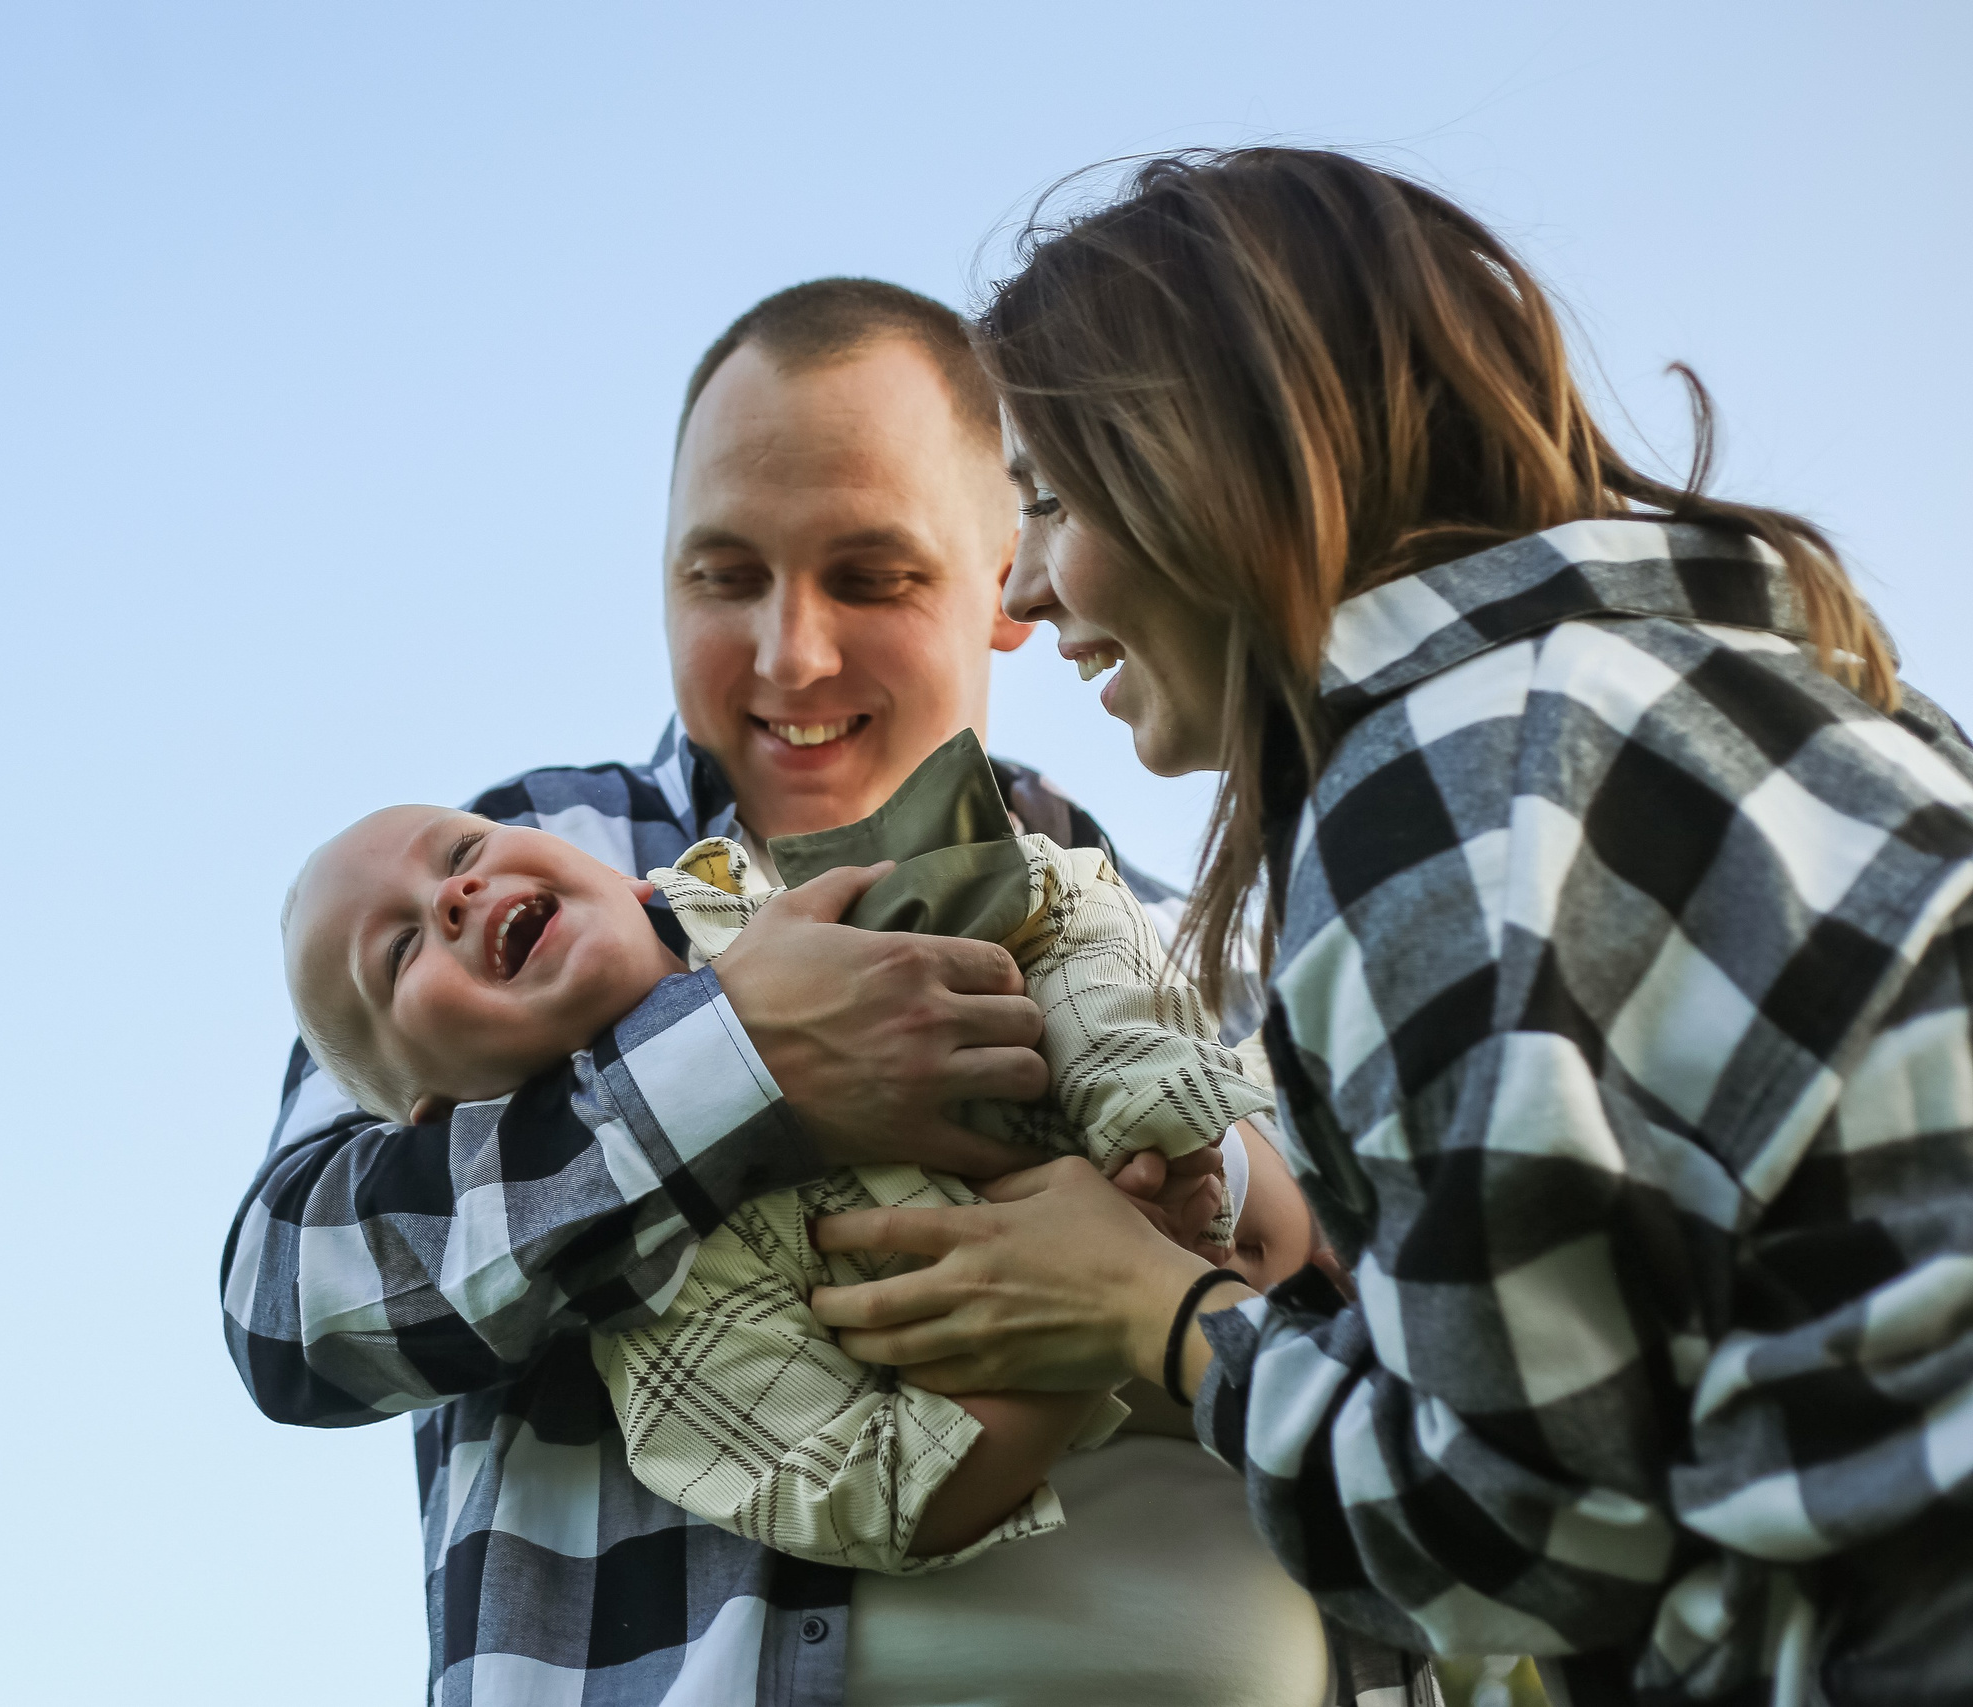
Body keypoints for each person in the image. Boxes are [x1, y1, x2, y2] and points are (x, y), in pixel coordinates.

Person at [805, 149, 1973, 1705]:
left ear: (1215, 459)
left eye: (1056, 500)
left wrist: (1160, 1317)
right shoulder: (1798, 707)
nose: (1021, 585)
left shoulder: (1448, 787)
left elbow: (1523, 1529)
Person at [223, 280, 1391, 1707]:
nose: (791, 654)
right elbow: (292, 1301)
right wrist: (738, 1059)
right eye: (723, 576)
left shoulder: (1179, 932)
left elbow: (1445, 1410)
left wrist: (1219, 1237)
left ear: (1008, 578)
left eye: (869, 575)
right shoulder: (541, 867)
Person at [275, 730, 1292, 1577]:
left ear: (628, 880)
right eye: (400, 950)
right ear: (440, 1117)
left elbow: (1063, 898)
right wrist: (1089, 1318)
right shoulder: (662, 1317)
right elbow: (868, 1491)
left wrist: (1148, 1113)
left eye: (462, 854)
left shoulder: (824, 916)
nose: (453, 897)